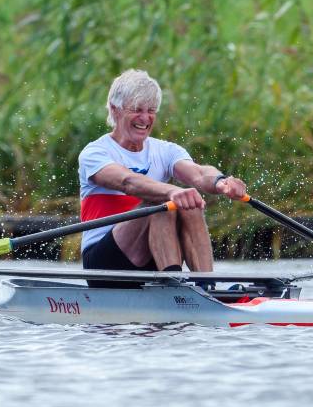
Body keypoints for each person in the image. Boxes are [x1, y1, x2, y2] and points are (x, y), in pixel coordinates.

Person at [78, 69, 247, 286]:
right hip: (103, 263)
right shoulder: (95, 153)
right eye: (137, 110)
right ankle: (173, 285)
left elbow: (198, 173)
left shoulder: (165, 150)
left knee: (190, 202)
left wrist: (221, 182)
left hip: (152, 256)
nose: (145, 118)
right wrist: (171, 191)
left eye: (151, 110)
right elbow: (127, 182)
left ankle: (206, 285)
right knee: (163, 202)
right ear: (115, 109)